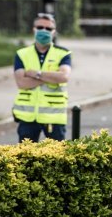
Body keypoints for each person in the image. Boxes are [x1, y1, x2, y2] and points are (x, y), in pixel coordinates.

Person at [12, 13, 72, 143]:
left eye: (48, 28)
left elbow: (64, 77)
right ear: (33, 29)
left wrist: (36, 74)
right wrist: (51, 76)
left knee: (57, 159)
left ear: (54, 32)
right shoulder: (22, 54)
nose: (44, 31)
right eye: (40, 27)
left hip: (54, 117)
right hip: (27, 118)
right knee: (26, 158)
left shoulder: (63, 53)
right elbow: (21, 83)